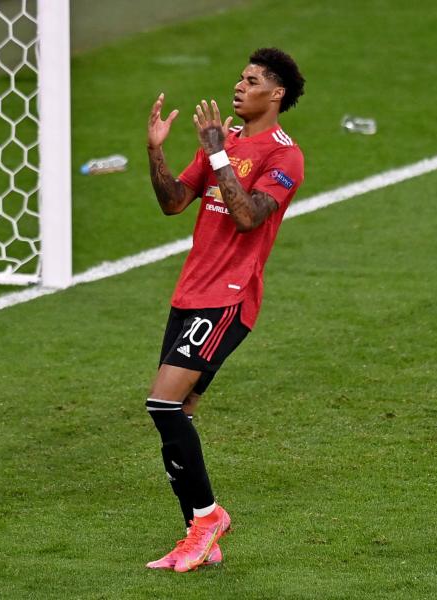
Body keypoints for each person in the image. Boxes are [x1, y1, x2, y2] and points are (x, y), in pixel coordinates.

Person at [142, 48, 305, 570]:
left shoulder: (284, 155)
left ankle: (208, 518)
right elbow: (174, 202)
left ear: (275, 94)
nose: (238, 87)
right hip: (189, 293)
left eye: (252, 80)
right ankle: (200, 534)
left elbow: (248, 218)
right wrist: (156, 152)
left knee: (163, 405)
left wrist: (216, 155)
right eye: (240, 77)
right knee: (178, 415)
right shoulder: (227, 140)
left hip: (230, 298)